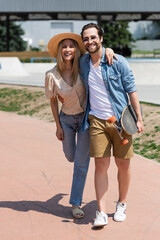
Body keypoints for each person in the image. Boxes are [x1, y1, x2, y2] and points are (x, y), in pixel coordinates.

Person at [79, 23, 144, 227]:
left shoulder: (117, 61)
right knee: (100, 165)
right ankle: (100, 212)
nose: (90, 41)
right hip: (97, 120)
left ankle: (121, 204)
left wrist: (139, 118)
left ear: (101, 38)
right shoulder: (83, 62)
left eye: (93, 37)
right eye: (86, 38)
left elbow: (132, 90)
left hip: (121, 120)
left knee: (123, 165)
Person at [45, 32, 115, 219]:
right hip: (66, 120)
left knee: (80, 164)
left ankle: (76, 203)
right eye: (64, 47)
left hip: (85, 119)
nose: (68, 49)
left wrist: (108, 48)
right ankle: (75, 165)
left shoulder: (83, 66)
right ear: (60, 51)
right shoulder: (51, 75)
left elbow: (98, 52)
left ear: (76, 49)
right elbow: (53, 102)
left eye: (71, 46)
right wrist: (58, 126)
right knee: (71, 156)